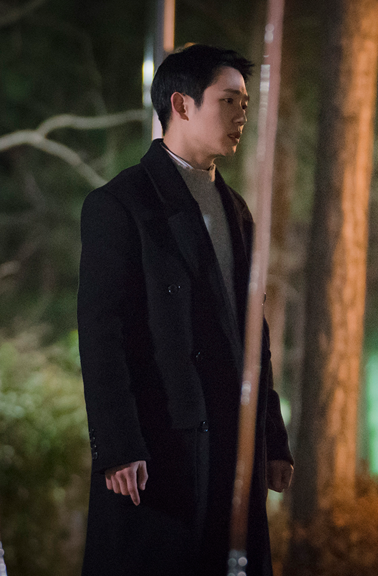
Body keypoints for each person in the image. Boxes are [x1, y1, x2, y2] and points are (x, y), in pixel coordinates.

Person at [78, 44, 293, 576]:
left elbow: (253, 334)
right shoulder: (121, 203)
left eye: (245, 103)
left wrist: (272, 438)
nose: (242, 115)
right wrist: (118, 446)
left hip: (230, 445)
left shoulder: (236, 209)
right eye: (228, 100)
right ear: (181, 104)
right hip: (160, 447)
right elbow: (102, 333)